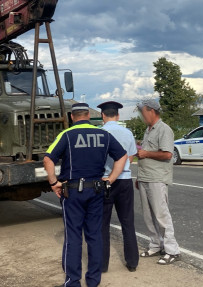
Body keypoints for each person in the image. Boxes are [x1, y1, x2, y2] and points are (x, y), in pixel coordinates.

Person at [44, 102, 128, 287]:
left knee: (73, 237)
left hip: (73, 192)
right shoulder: (104, 135)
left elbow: (48, 158)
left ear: (72, 117)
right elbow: (122, 156)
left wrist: (53, 182)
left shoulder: (67, 135)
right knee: (94, 235)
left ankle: (73, 281)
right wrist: (111, 178)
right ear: (89, 116)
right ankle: (93, 281)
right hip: (97, 190)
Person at [136, 99, 181, 265]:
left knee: (161, 215)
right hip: (145, 177)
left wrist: (146, 153)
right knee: (148, 216)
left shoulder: (164, 129)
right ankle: (156, 244)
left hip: (157, 178)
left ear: (151, 111)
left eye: (143, 111)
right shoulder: (148, 130)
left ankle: (172, 250)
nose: (141, 115)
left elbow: (167, 154)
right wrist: (139, 177)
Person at [97, 101, 139, 273]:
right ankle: (132, 262)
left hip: (105, 180)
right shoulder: (127, 132)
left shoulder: (99, 133)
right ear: (118, 115)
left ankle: (102, 265)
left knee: (102, 224)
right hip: (124, 180)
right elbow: (130, 157)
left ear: (102, 115)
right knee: (127, 222)